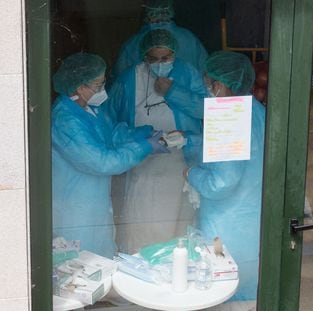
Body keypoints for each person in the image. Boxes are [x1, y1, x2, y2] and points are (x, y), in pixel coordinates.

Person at [52, 52, 168, 258]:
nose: (102, 89)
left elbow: (113, 133)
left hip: (94, 202)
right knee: (80, 269)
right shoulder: (65, 120)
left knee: (100, 260)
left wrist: (145, 133)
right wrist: (144, 147)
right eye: (98, 85)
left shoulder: (88, 109)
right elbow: (102, 162)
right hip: (75, 208)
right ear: (80, 87)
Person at [107, 28, 207, 254]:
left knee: (178, 225)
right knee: (143, 222)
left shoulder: (187, 73)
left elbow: (206, 109)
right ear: (144, 57)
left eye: (166, 58)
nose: (161, 63)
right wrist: (139, 139)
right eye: (154, 59)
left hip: (181, 163)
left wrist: (173, 92)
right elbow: (110, 122)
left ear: (175, 54)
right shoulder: (128, 80)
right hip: (143, 164)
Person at [184, 51, 266, 301]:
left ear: (219, 84)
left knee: (223, 286)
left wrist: (191, 173)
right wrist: (189, 140)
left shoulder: (228, 116)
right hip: (251, 219)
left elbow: (220, 183)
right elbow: (238, 152)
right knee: (250, 290)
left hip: (226, 225)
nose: (207, 88)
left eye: (209, 83)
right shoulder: (257, 111)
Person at [110, 0, 208, 82]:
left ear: (147, 13)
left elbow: (119, 79)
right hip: (187, 100)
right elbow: (205, 72)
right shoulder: (188, 37)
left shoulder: (133, 42)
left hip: (142, 102)